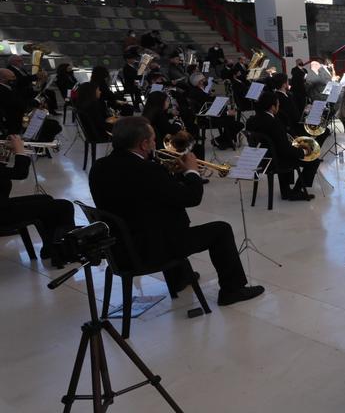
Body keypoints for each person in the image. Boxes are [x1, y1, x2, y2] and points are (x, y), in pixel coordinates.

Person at [88, 117, 264, 305]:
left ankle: (179, 277)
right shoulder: (148, 170)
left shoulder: (99, 167)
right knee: (221, 230)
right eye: (153, 140)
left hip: (118, 249)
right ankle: (233, 290)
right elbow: (191, 198)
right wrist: (192, 172)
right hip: (149, 249)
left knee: (161, 221)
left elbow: (148, 194)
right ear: (143, 144)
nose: (156, 143)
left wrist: (172, 175)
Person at [1, 135, 75, 266]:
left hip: (4, 205)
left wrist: (5, 157)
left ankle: (51, 248)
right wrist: (19, 151)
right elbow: (20, 173)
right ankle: (67, 252)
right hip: (3, 213)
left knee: (46, 199)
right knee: (65, 206)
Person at [246, 91, 320, 201]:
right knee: (314, 161)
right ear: (272, 107)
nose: (279, 106)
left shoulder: (251, 120)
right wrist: (303, 152)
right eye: (277, 104)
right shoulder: (274, 123)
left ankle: (286, 191)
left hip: (260, 159)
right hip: (275, 161)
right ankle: (295, 191)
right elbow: (284, 150)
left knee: (286, 153)